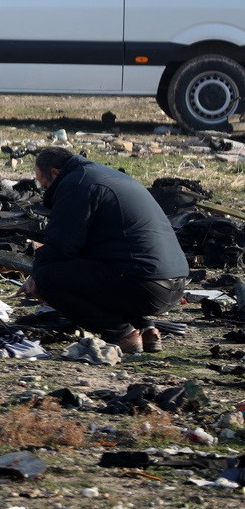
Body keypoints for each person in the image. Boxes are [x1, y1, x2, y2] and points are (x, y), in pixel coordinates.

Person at [23, 147, 188, 354]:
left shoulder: (77, 183)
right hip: (174, 283)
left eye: (44, 184)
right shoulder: (103, 175)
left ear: (55, 173)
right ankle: (145, 328)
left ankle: (122, 333)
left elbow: (62, 245)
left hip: (144, 284)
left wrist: (36, 275)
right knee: (98, 270)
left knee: (48, 278)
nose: (45, 190)